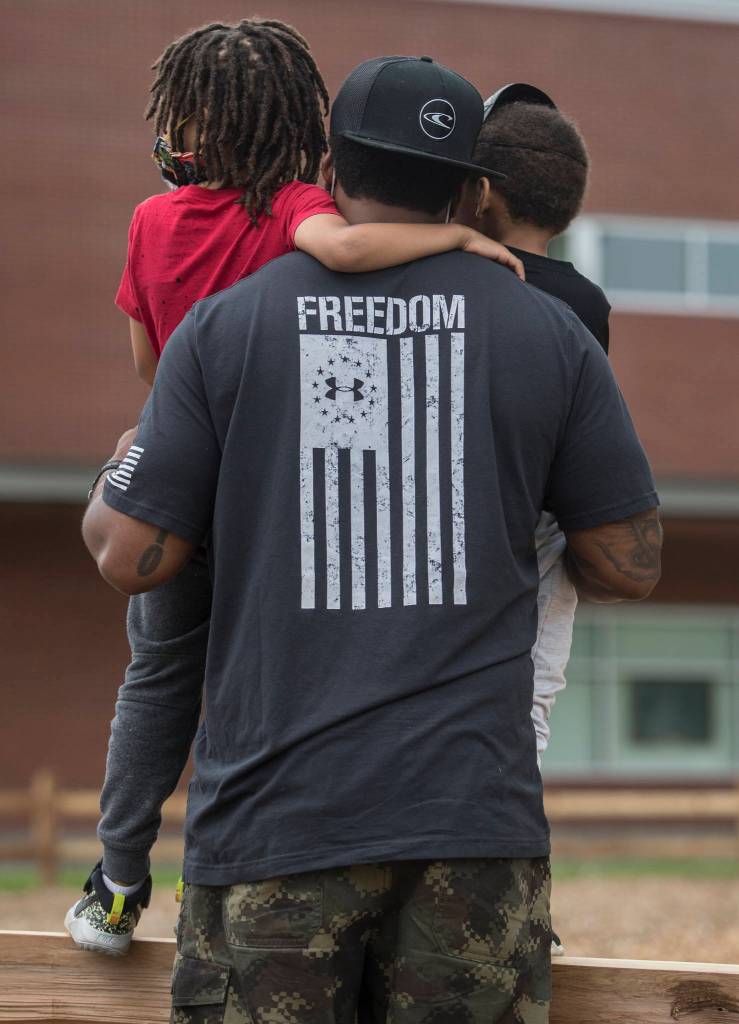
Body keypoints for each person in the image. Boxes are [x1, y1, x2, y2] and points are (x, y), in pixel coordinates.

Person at [82, 56, 661, 1023]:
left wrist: (128, 464)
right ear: (470, 186)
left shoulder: (225, 330)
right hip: (473, 831)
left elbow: (129, 557)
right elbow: (625, 565)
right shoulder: (548, 331)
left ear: (329, 169)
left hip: (275, 829)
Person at [64, 21, 521, 957]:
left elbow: (150, 363)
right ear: (293, 123)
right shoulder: (294, 203)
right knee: (276, 668)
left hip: (176, 478)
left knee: (156, 678)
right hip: (277, 488)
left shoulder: (151, 223)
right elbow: (347, 258)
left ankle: (115, 881)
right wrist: (456, 242)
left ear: (198, 126)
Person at [455, 88, 613, 957]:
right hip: (544, 527)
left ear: (481, 192)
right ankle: (522, 904)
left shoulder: (462, 271)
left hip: (460, 519)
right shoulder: (583, 301)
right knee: (532, 711)